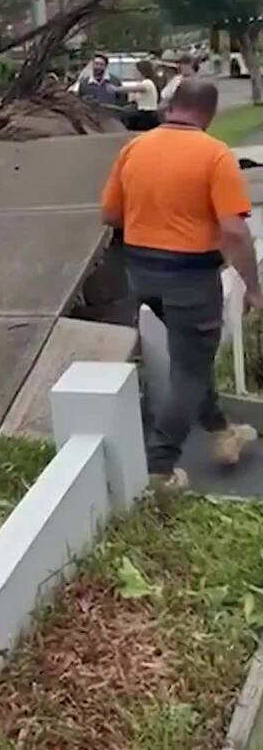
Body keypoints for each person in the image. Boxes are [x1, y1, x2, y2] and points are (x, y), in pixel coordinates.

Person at [100, 78, 262, 490]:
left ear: (170, 106)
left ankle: (223, 432)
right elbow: (237, 233)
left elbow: (110, 215)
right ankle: (159, 466)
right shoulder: (214, 155)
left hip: (142, 276)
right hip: (190, 278)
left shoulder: (134, 148)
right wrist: (254, 288)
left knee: (192, 359)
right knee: (190, 372)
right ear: (209, 112)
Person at [120, 58, 160, 131]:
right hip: (141, 113)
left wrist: (117, 89)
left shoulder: (147, 82)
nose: (134, 73)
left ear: (141, 71)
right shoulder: (141, 83)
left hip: (147, 114)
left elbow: (138, 88)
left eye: (135, 70)